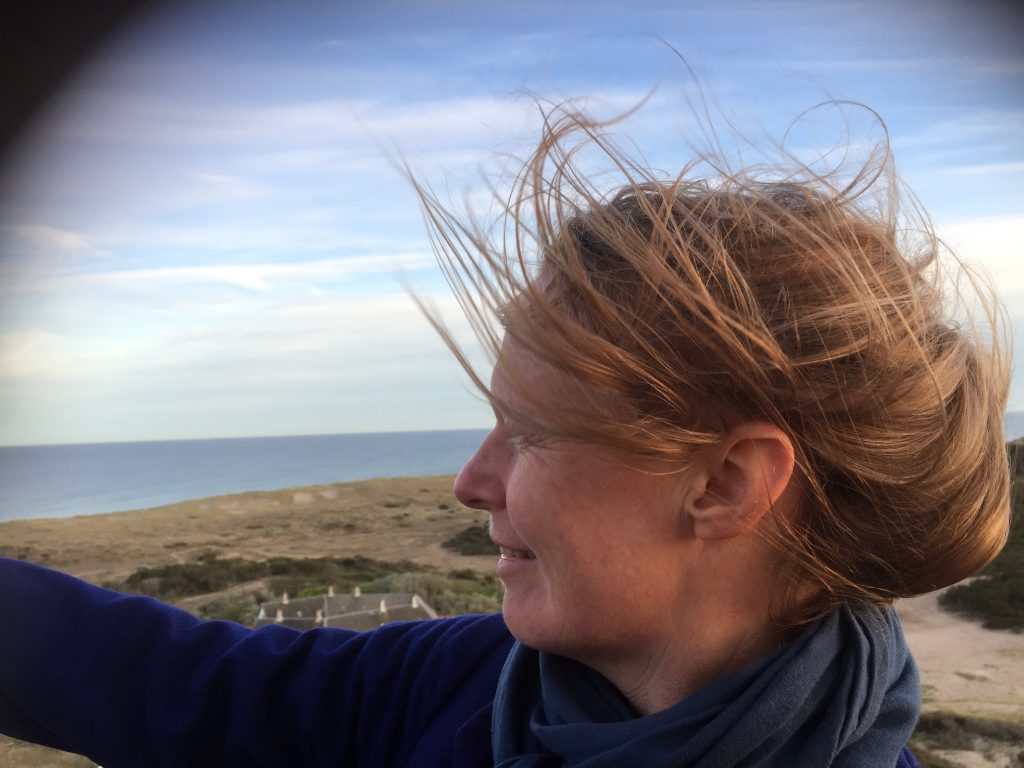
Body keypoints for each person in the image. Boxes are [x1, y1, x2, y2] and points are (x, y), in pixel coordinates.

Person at [0, 100, 1011, 768]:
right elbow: (170, 679)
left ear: (726, 485)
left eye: (529, 432)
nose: (470, 481)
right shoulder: (453, 685)